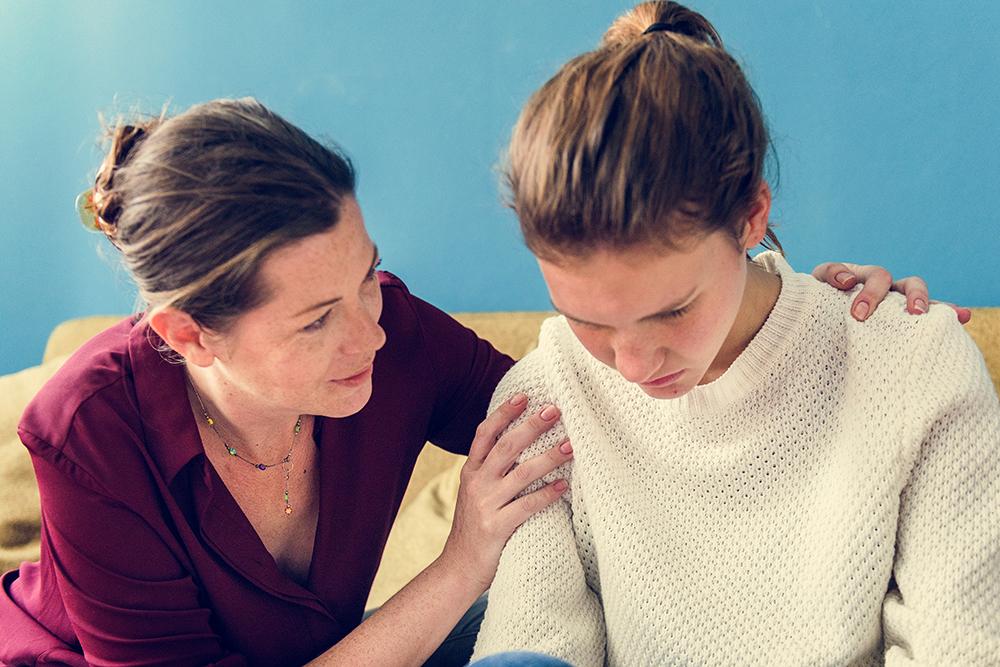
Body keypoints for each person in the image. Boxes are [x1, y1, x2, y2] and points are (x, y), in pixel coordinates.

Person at [0, 97, 959, 666]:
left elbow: (603, 408)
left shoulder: (392, 333)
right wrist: (461, 562)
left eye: (367, 273)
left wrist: (803, 310)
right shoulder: (87, 429)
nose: (369, 326)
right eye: (316, 318)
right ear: (186, 334)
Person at [471, 3, 1000, 666]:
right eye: (590, 321)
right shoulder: (543, 403)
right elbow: (531, 645)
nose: (630, 364)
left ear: (752, 214)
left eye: (671, 312)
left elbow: (964, 650)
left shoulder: (915, 367)